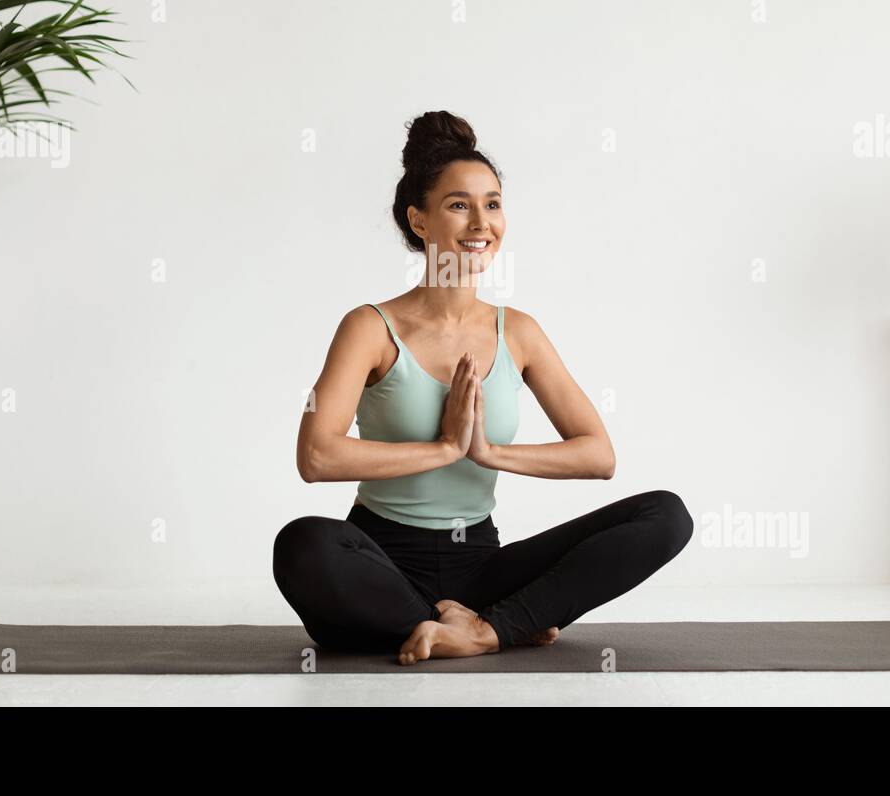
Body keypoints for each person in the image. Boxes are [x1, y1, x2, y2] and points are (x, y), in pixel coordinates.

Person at [274, 110, 693, 665]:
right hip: (381, 562)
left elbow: (599, 455)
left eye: (492, 204)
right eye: (458, 205)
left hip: (481, 567)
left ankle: (485, 630)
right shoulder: (370, 327)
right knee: (302, 545)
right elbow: (316, 456)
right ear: (418, 221)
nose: (481, 223)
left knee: (666, 515)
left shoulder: (517, 331)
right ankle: (487, 622)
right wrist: (443, 449)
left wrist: (489, 452)